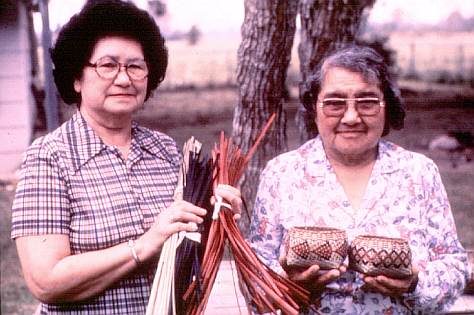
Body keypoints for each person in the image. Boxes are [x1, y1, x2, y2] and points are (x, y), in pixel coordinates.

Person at [11, 1, 241, 314]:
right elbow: (45, 281)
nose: (124, 79)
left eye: (135, 66)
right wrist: (144, 245)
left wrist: (217, 218)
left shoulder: (164, 150)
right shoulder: (49, 158)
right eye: (107, 65)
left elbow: (185, 250)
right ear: (76, 77)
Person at [249, 45, 470, 314]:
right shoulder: (281, 175)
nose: (351, 117)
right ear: (313, 108)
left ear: (387, 106)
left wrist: (414, 283)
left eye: (366, 102)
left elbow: (454, 265)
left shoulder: (419, 172)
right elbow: (254, 277)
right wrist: (292, 286)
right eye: (334, 103)